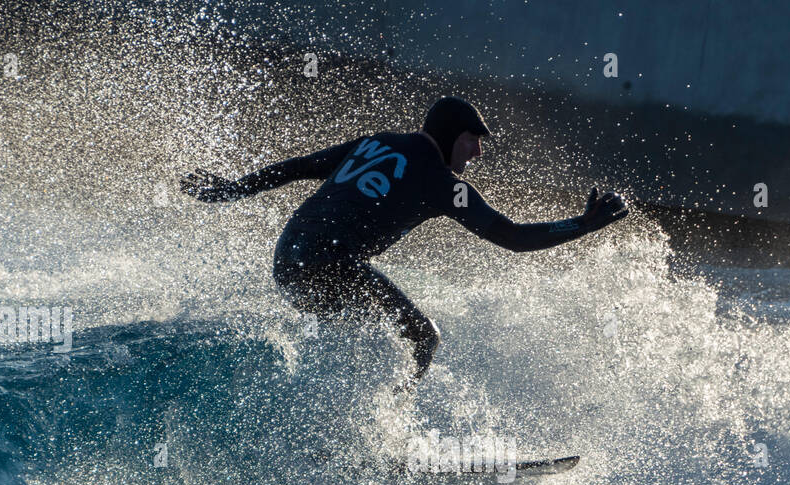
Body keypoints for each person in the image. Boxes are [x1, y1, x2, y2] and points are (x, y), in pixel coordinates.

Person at [181, 96, 629, 387]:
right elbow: (511, 236)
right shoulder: (438, 180)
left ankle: (329, 417)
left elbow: (297, 166)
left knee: (365, 333)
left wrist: (230, 190)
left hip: (289, 257)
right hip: (330, 265)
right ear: (453, 134)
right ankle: (384, 433)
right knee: (423, 337)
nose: (478, 152)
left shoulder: (376, 142)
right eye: (473, 139)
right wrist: (582, 226)